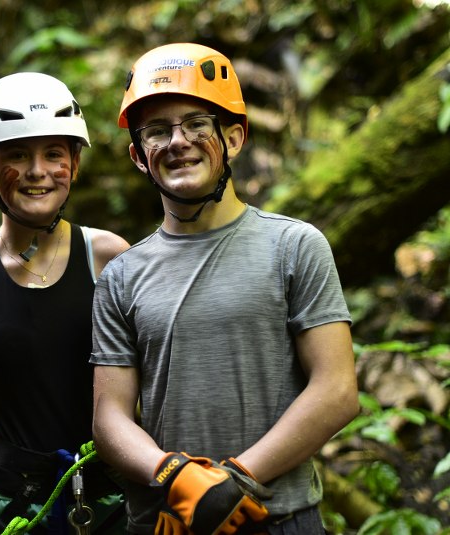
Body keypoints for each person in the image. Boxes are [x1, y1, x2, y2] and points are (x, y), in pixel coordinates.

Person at [90, 43, 359, 535]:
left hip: (278, 519)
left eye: (197, 124)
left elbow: (336, 390)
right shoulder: (122, 276)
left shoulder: (294, 246)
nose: (178, 141)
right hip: (167, 521)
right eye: (156, 131)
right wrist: (173, 475)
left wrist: (236, 481)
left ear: (233, 138)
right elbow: (109, 419)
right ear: (138, 156)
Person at [0, 72, 130, 534]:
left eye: (53, 154)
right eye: (18, 155)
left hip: (112, 501)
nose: (38, 171)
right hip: (9, 508)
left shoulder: (108, 257)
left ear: (74, 164)